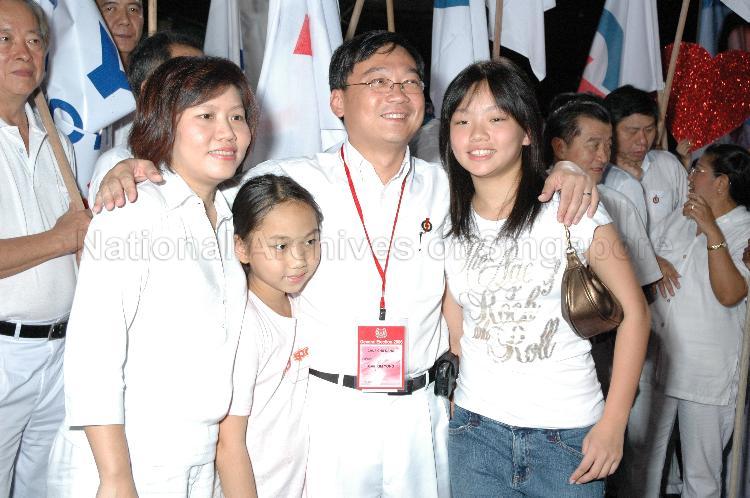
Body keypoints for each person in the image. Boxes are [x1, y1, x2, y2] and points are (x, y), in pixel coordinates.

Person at [92, 31, 598, 497]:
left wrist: (565, 167)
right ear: (337, 100)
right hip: (324, 411)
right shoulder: (287, 180)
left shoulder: (451, 187)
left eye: (411, 82)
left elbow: (513, 181)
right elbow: (199, 201)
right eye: (377, 81)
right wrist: (127, 169)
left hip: (421, 410)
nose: (397, 94)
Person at [46, 56, 256, 497]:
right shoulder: (132, 210)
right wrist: (116, 478)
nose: (228, 131)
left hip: (199, 457)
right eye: (206, 116)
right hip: (128, 458)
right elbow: (93, 352)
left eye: (237, 116)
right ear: (165, 123)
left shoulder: (231, 213)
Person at [440, 59, 650, 497]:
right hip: (477, 433)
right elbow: (454, 311)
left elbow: (635, 314)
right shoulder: (445, 215)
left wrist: (613, 424)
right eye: (463, 120)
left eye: (496, 118)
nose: (477, 134)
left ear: (527, 132)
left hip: (567, 437)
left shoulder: (569, 208)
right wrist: (460, 389)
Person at [621, 144, 750, 498]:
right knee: (641, 460)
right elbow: (644, 270)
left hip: (706, 371)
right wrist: (654, 263)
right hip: (658, 359)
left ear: (722, 183)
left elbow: (730, 293)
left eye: (698, 171)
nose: (689, 177)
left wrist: (712, 232)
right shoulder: (681, 216)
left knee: (701, 475)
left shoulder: (744, 229)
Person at [0, 1, 91, 496]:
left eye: (34, 40)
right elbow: (65, 235)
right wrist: (62, 237)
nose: (23, 51)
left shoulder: (57, 140)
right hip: (2, 354)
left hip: (60, 355)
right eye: (4, 38)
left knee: (47, 488)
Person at [545, 94, 662, 397]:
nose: (603, 156)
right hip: (542, 358)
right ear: (560, 146)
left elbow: (644, 290)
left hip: (603, 350)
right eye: (593, 144)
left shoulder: (620, 205)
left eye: (608, 145)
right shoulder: (532, 200)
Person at [215, 174, 323, 498]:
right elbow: (228, 443)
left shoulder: (302, 304)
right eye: (281, 246)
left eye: (310, 241)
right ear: (242, 248)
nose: (299, 259)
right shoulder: (246, 323)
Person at [89, 30, 203, 200]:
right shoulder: (119, 166)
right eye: (188, 78)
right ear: (150, 92)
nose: (208, 89)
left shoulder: (215, 158)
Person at [602, 85, 687, 238]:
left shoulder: (668, 165)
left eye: (649, 130)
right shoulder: (598, 172)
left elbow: (690, 220)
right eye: (632, 131)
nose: (642, 140)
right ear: (610, 130)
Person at [96, 0, 145, 150]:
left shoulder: (155, 79)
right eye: (110, 8)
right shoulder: (74, 81)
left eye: (133, 9)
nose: (125, 20)